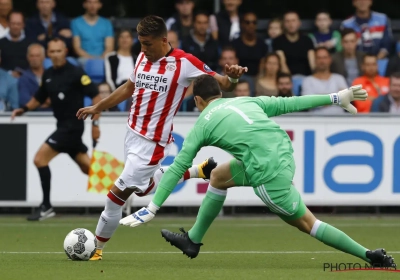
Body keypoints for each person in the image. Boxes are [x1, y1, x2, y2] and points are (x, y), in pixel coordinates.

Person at [122, 75, 396, 269]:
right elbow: (290, 103)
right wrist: (335, 97)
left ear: (198, 100)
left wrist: (153, 207)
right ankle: (192, 240)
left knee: (307, 224)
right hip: (282, 153)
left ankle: (370, 255)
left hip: (268, 173)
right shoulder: (245, 101)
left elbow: (179, 165)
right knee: (217, 176)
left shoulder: (203, 123)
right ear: (220, 93)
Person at [75, 15, 247, 261]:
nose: (143, 49)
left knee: (115, 197)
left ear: (164, 40)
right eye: (140, 43)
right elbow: (128, 88)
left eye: (147, 44)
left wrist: (233, 77)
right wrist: (98, 107)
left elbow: (224, 85)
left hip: (152, 143)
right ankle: (198, 171)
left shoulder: (185, 62)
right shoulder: (143, 56)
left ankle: (96, 249)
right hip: (131, 134)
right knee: (145, 188)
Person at [11, 38, 101, 221]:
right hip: (62, 127)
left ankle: (46, 206)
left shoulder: (76, 73)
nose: (55, 55)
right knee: (89, 169)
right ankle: (123, 195)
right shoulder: (48, 74)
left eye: (58, 51)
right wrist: (24, 109)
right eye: (51, 52)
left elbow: (96, 97)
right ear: (48, 54)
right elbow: (39, 96)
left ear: (65, 51)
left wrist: (95, 124)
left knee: (39, 159)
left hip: (72, 128)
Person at [18, 43, 51, 110]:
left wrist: (35, 100)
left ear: (44, 57)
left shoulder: (52, 75)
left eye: (37, 56)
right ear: (27, 57)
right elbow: (25, 101)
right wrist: (46, 101)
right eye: (32, 56)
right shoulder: (23, 79)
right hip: (32, 116)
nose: (34, 59)